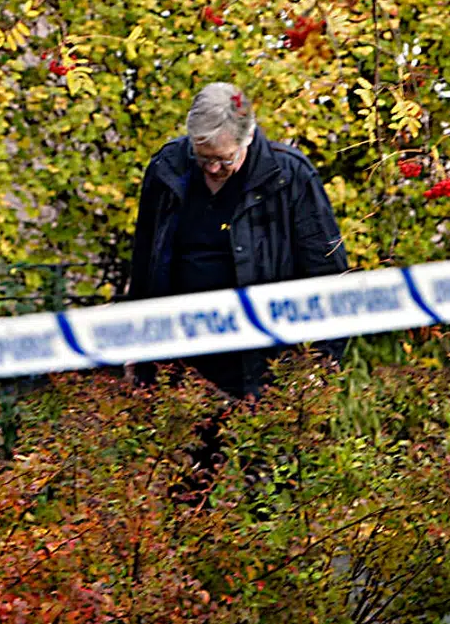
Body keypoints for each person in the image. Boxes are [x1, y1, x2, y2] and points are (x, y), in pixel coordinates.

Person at [128, 82, 349, 399]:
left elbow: (330, 278)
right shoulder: (167, 168)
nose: (214, 168)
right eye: (203, 158)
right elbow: (144, 262)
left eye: (224, 159)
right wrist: (134, 343)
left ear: (248, 138)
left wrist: (320, 366)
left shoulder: (290, 176)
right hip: (176, 369)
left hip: (263, 373)